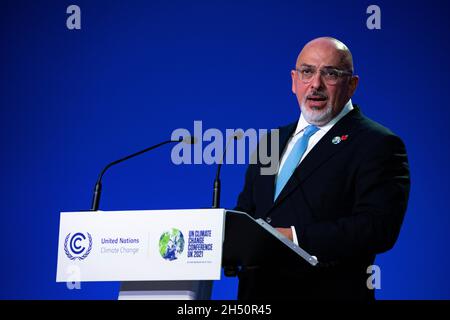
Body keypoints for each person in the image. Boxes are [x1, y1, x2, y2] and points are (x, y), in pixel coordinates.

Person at [234, 37, 410, 300]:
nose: (315, 84)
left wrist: (293, 236)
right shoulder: (271, 141)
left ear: (352, 85)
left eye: (330, 73)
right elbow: (248, 212)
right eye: (307, 72)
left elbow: (377, 228)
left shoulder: (378, 143)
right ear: (294, 81)